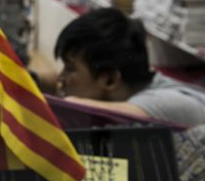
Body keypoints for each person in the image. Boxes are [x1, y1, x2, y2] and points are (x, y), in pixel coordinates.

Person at [44, 7, 205, 128]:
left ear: (109, 79)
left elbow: (77, 108)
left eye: (70, 68)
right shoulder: (136, 87)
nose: (61, 78)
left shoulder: (170, 104)